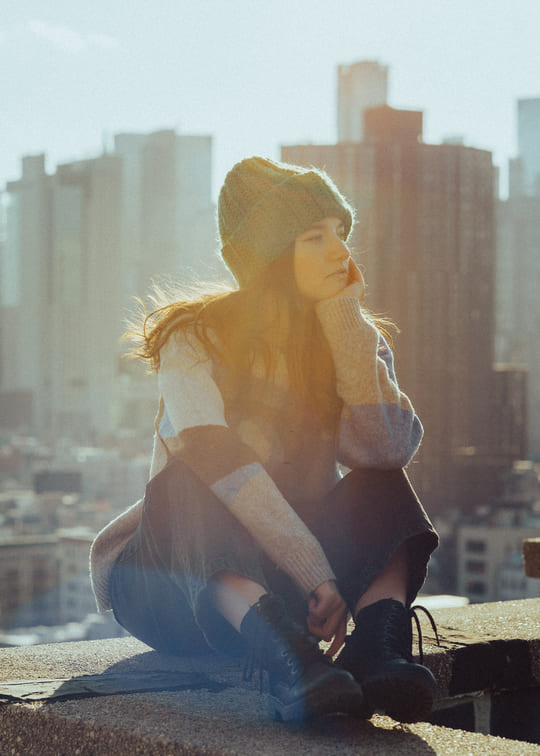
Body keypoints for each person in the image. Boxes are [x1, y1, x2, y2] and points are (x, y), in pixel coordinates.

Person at [90, 156, 439, 724]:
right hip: (173, 585)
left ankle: (377, 648)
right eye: (314, 236)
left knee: (382, 484)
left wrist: (346, 322)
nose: (340, 252)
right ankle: (293, 664)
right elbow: (218, 462)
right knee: (193, 478)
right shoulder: (195, 338)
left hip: (298, 592)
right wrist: (313, 570)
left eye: (340, 234)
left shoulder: (350, 336)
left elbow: (386, 450)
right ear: (273, 253)